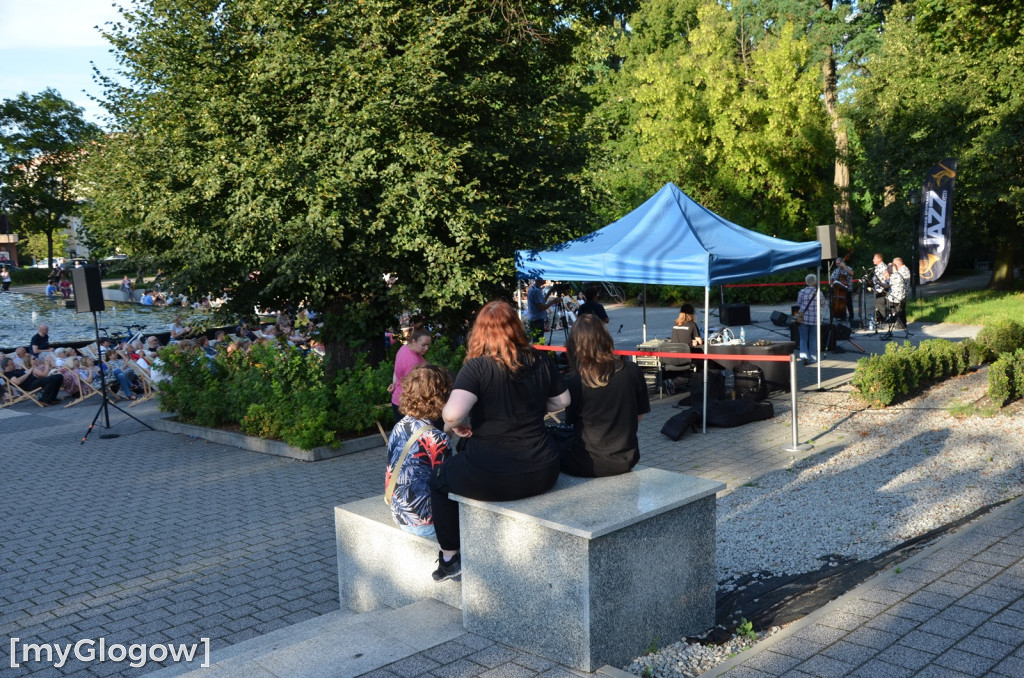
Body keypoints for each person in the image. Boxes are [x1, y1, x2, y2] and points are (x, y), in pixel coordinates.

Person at [428, 301, 571, 581]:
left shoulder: (477, 368)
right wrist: (533, 408)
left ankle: (450, 558)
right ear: (516, 328)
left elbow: (453, 413)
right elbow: (563, 400)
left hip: (494, 477)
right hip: (544, 471)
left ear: (479, 333)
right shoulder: (540, 359)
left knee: (438, 479)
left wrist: (453, 426)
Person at [560, 314, 650, 477]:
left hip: (587, 462)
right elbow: (638, 417)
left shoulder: (574, 380)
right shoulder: (632, 370)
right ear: (605, 338)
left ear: (574, 345)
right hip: (626, 459)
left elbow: (571, 421)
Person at [385, 364, 454, 537]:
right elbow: (446, 485)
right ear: (441, 396)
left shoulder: (400, 425)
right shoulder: (437, 438)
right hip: (424, 523)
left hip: (399, 513)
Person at [388, 328, 432, 423]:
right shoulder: (412, 362)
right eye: (423, 345)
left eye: (428, 345)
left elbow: (396, 371)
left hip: (399, 400)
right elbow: (414, 389)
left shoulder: (405, 348)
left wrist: (394, 383)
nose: (426, 348)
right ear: (414, 341)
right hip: (408, 406)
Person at [795, 274, 823, 365]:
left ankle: (804, 357)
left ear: (806, 282)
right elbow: (823, 304)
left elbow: (799, 303)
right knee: (813, 339)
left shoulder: (802, 292)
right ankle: (813, 358)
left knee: (803, 339)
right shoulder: (819, 293)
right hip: (815, 319)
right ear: (815, 282)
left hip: (803, 318)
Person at [885, 259, 909, 335]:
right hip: (900, 295)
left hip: (898, 296)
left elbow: (887, 284)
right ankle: (899, 323)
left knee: (898, 310)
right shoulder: (898, 273)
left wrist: (878, 282)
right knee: (900, 311)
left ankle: (898, 323)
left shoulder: (898, 273)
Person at [829, 258, 855, 324]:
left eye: (838, 263)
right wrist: (832, 284)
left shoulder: (848, 268)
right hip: (838, 290)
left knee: (849, 303)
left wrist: (844, 267)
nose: (837, 265)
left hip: (848, 289)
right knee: (840, 303)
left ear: (841, 263)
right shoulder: (836, 270)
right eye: (836, 263)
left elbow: (852, 273)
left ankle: (851, 316)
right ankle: (842, 315)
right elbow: (831, 279)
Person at [871, 253, 889, 329]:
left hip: (881, 289)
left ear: (879, 259)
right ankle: (880, 321)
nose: (873, 260)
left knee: (881, 306)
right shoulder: (877, 267)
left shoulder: (883, 267)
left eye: (874, 258)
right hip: (877, 288)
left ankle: (884, 322)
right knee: (877, 306)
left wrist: (884, 286)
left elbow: (887, 278)